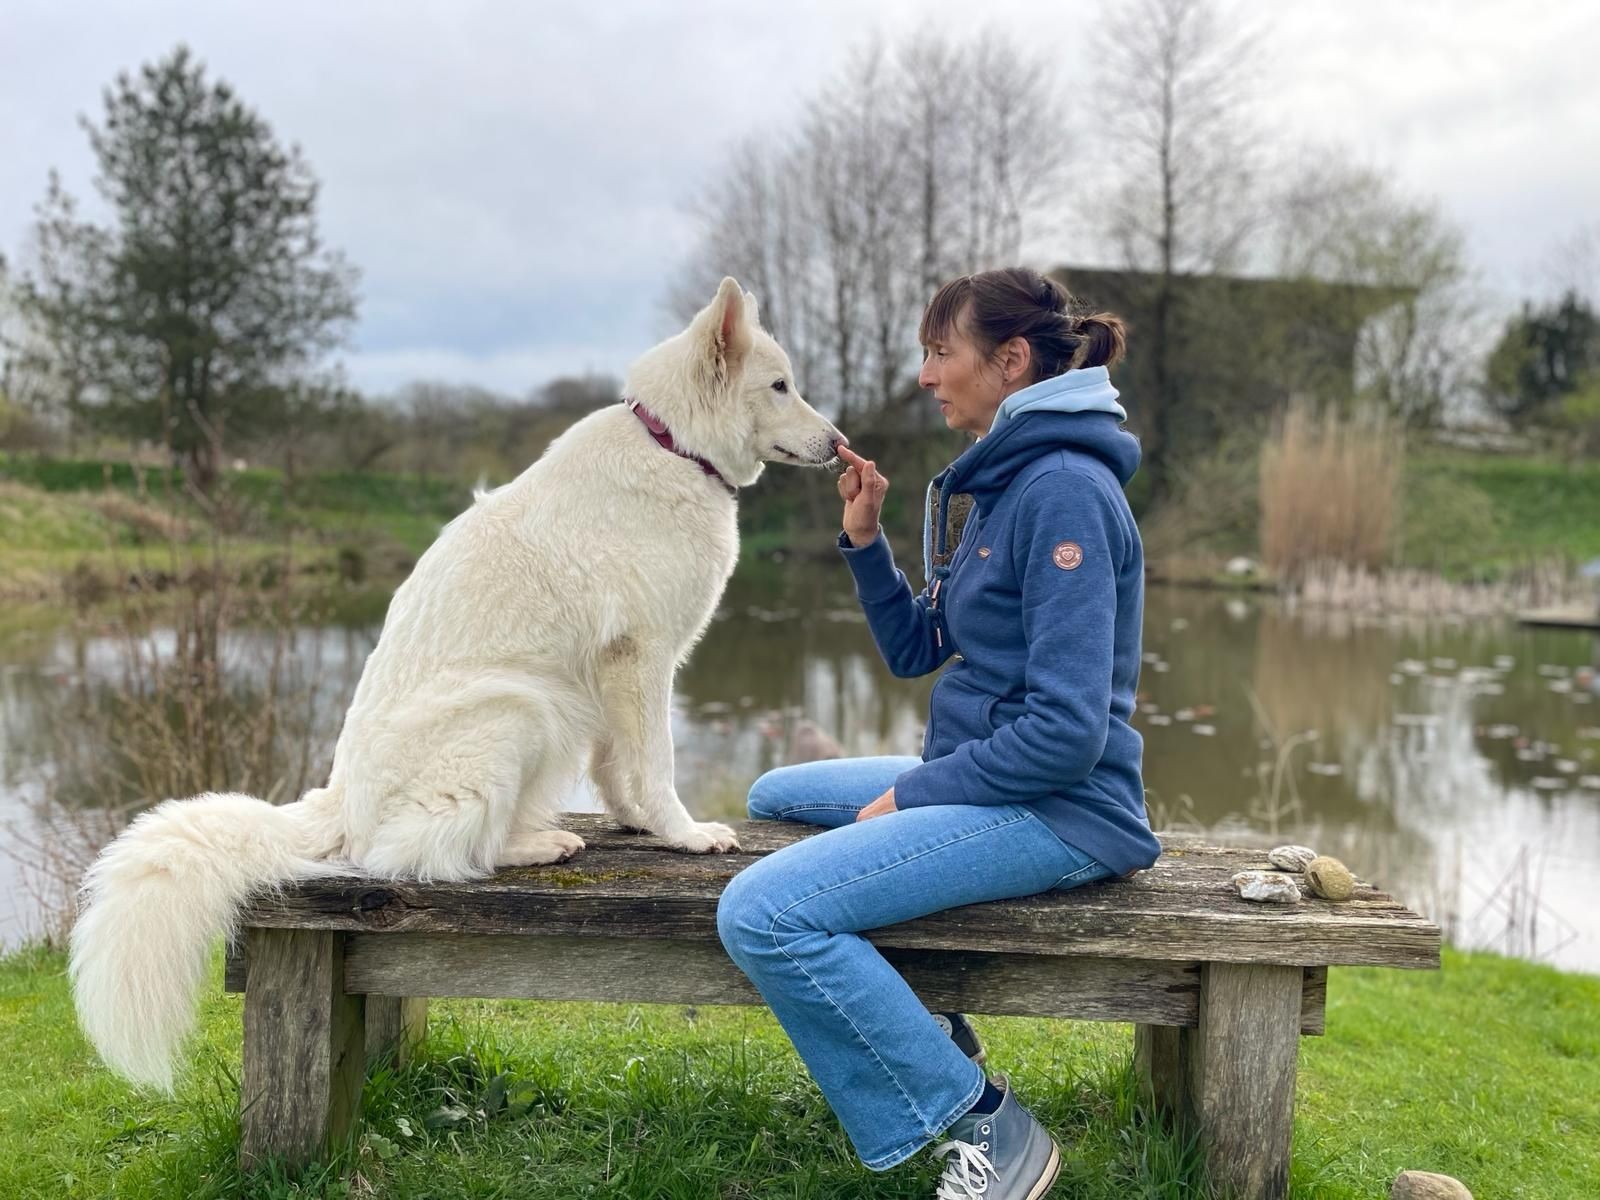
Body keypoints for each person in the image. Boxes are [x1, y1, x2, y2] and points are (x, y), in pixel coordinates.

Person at [715, 267, 1160, 1200]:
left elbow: (1069, 735)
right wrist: (867, 540)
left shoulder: (1065, 492)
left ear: (1008, 362)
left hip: (1061, 809)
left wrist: (911, 798)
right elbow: (921, 649)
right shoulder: (1006, 484)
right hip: (990, 774)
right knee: (774, 797)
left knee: (762, 912)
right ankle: (930, 1030)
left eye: (938, 352)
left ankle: (982, 1122)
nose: (925, 375)